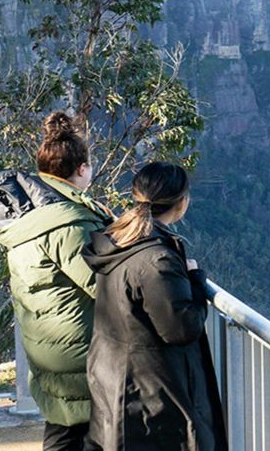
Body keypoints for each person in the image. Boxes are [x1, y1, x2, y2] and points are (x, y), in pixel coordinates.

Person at [0, 111, 113, 451]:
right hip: (78, 350)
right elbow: (102, 285)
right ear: (82, 169)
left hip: (45, 345)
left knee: (62, 430)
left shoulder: (25, 218)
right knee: (85, 435)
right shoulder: (68, 223)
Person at [82, 162, 226, 451]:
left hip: (116, 376)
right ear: (182, 202)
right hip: (149, 392)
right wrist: (196, 283)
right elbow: (180, 328)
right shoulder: (156, 258)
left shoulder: (119, 240)